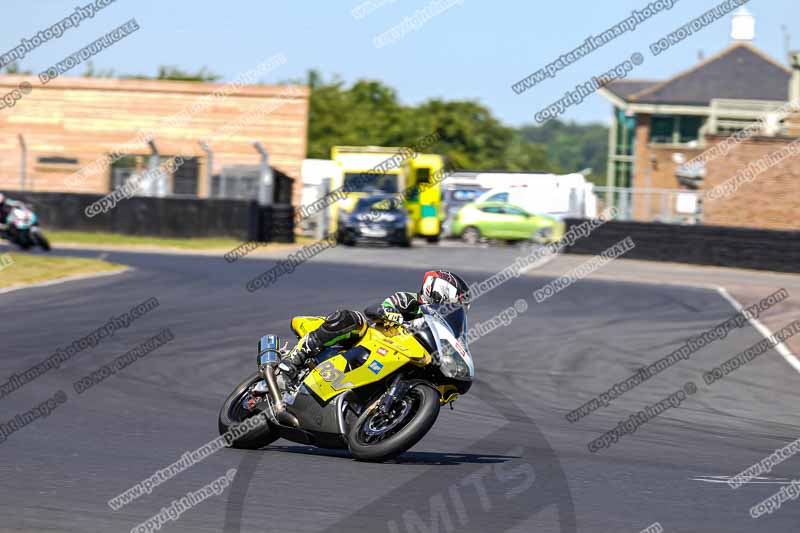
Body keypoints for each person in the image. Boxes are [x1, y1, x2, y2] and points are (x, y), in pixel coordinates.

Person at [278, 270, 471, 379]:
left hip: (398, 358)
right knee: (352, 319)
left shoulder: (439, 327)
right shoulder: (410, 301)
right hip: (371, 341)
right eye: (456, 302)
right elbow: (376, 309)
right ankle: (298, 355)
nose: (455, 307)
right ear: (442, 291)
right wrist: (396, 317)